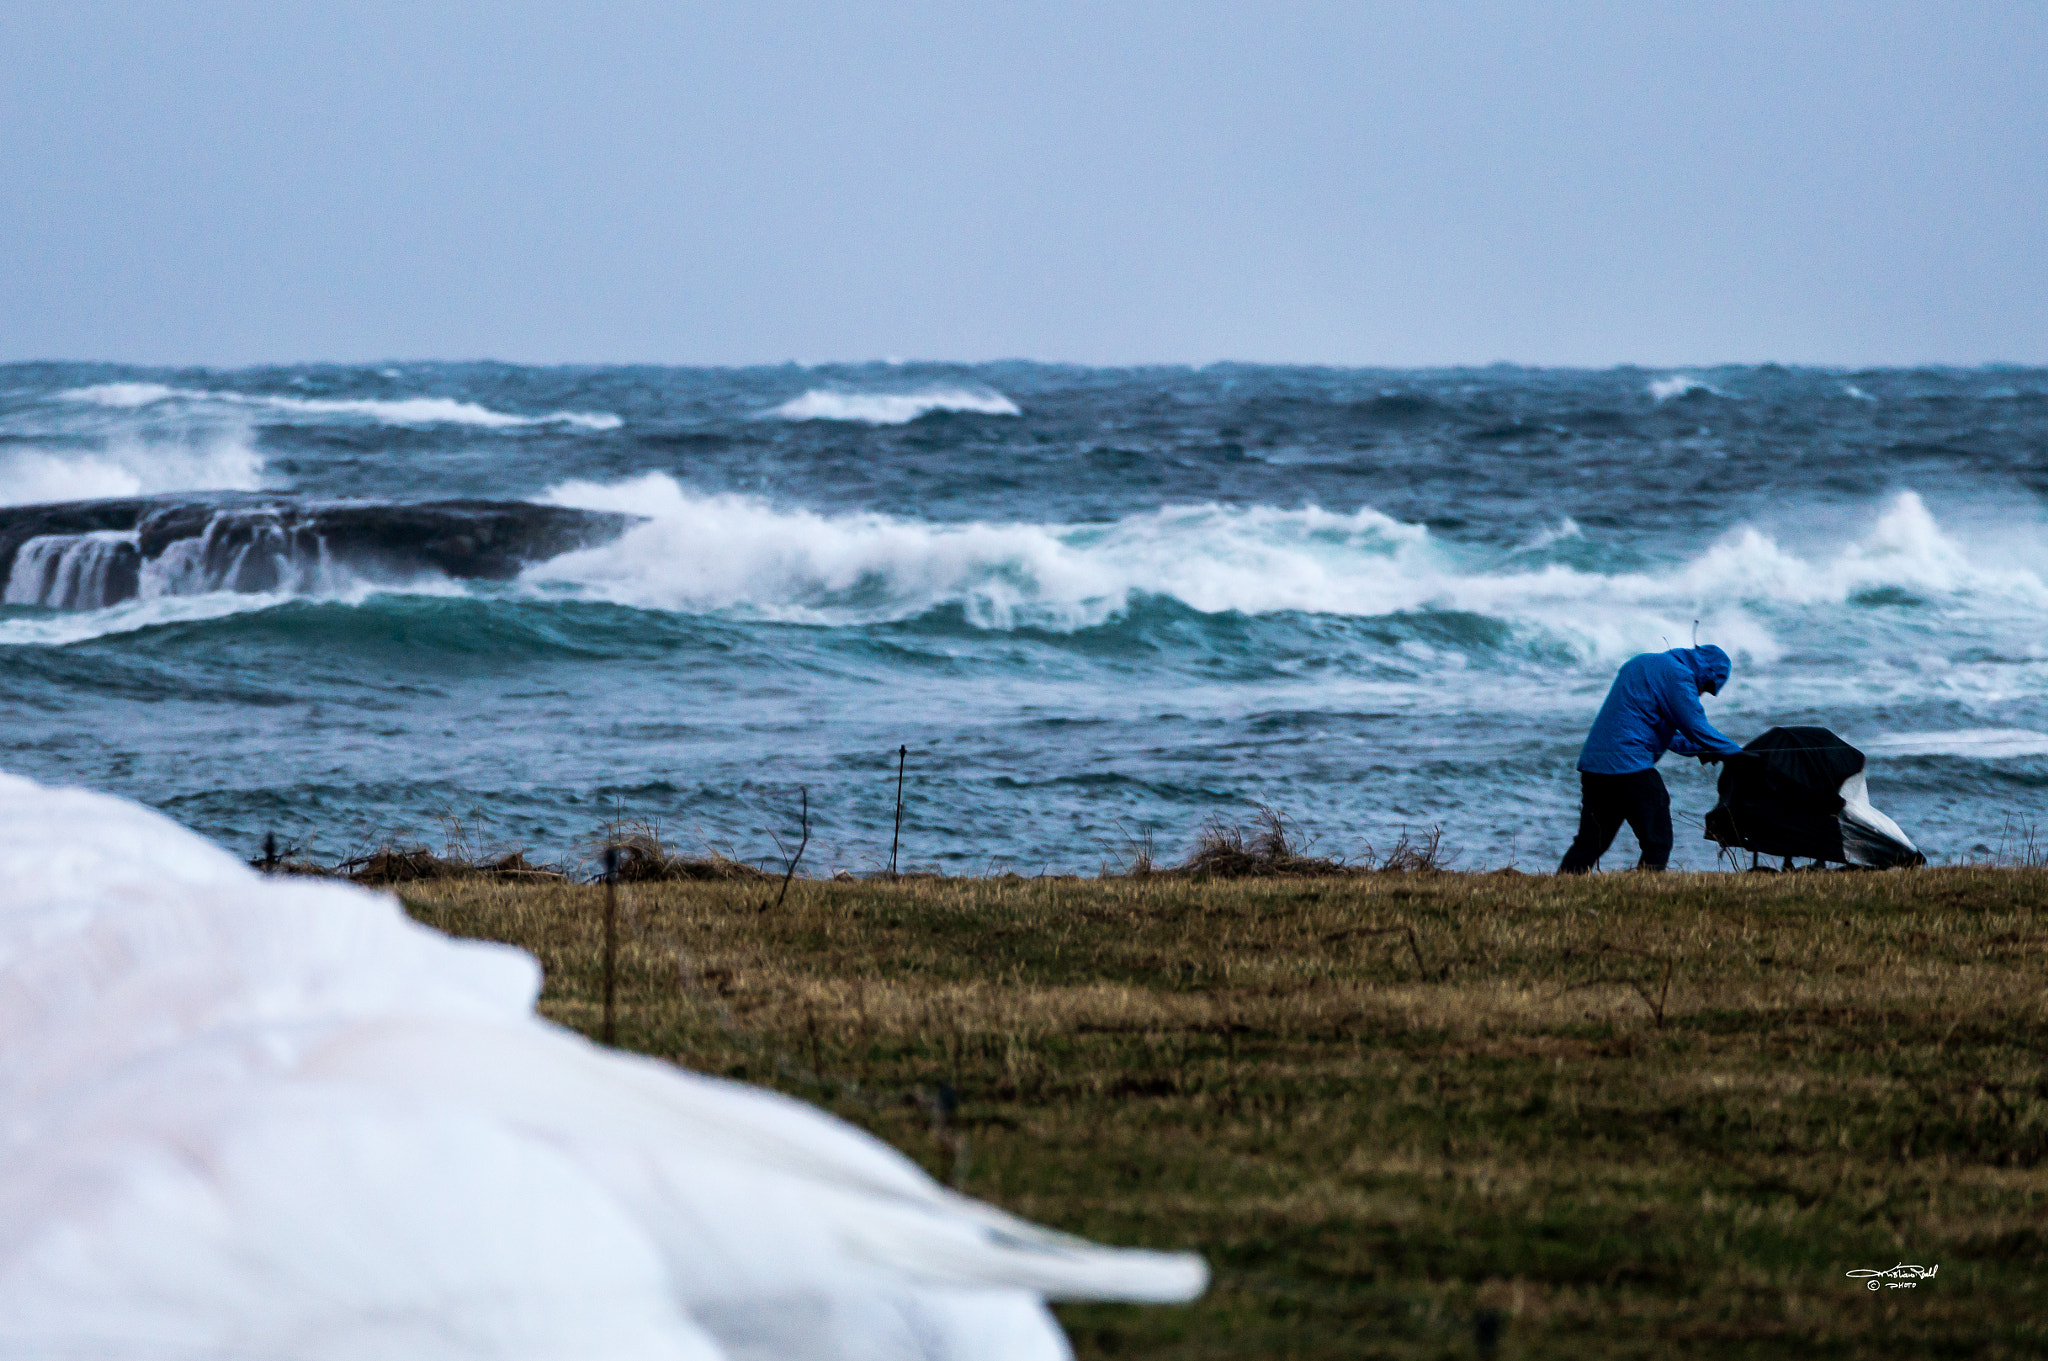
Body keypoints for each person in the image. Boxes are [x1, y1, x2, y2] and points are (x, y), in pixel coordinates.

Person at [1558, 644, 1744, 873]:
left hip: (1595, 766)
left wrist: (1704, 750)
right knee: (1658, 840)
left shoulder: (1643, 663)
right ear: (1706, 672)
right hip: (1629, 766)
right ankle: (1644, 892)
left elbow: (1664, 732)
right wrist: (1737, 754)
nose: (1702, 693)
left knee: (1590, 843)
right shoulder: (1678, 675)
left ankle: (1558, 889)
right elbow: (1694, 725)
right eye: (1708, 687)